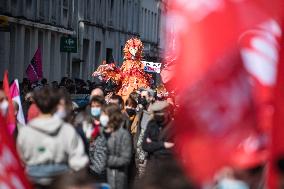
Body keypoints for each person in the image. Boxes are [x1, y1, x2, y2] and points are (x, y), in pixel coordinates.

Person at [17, 87, 89, 187]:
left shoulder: (25, 131)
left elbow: (20, 160)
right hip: (62, 182)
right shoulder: (67, 130)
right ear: (55, 105)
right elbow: (79, 163)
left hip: (32, 182)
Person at [101, 104, 132, 189]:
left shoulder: (123, 134)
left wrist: (106, 160)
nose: (102, 117)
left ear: (112, 116)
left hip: (116, 179)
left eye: (104, 115)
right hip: (99, 178)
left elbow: (126, 159)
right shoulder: (100, 132)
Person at [142, 101, 174, 166]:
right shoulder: (151, 124)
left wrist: (152, 144)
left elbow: (173, 149)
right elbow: (145, 146)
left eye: (160, 112)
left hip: (167, 165)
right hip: (152, 164)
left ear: (167, 112)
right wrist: (163, 144)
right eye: (156, 113)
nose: (158, 115)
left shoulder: (173, 127)